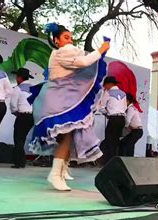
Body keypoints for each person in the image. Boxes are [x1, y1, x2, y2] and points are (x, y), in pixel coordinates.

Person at [29, 23, 110, 191]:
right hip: (60, 100)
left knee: (69, 135)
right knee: (65, 136)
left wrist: (100, 52)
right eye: (66, 37)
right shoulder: (62, 52)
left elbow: (83, 62)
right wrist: (101, 50)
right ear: (56, 40)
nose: (70, 40)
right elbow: (84, 61)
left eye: (71, 37)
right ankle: (55, 174)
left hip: (62, 98)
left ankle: (61, 169)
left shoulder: (62, 53)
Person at [98, 76, 127, 163]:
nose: (105, 88)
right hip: (122, 119)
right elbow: (125, 107)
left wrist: (107, 113)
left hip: (113, 118)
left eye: (105, 86)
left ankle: (108, 162)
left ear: (109, 84)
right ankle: (115, 162)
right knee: (116, 140)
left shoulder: (108, 93)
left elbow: (101, 107)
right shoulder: (123, 93)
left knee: (109, 140)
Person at [9, 68, 35, 169]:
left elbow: (13, 104)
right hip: (31, 116)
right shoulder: (33, 87)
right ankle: (21, 161)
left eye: (17, 76)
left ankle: (19, 162)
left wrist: (15, 112)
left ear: (20, 78)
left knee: (18, 139)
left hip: (22, 115)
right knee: (23, 138)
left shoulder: (17, 88)